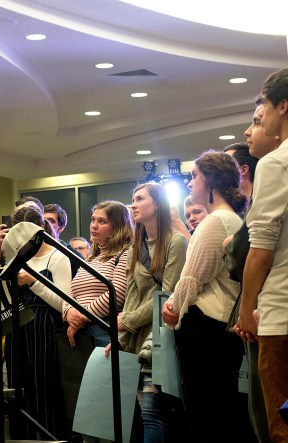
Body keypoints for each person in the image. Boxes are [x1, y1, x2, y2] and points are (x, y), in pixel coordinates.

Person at [161, 150, 247, 441]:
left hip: (207, 328)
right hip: (220, 330)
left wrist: (174, 308)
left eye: (194, 175)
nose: (189, 183)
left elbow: (191, 279)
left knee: (205, 414)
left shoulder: (215, 221)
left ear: (211, 179)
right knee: (220, 410)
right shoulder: (231, 218)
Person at [112, 183, 187, 442]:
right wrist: (121, 335)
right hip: (135, 338)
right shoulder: (136, 246)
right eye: (133, 199)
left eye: (140, 199)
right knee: (141, 413)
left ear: (157, 204)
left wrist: (127, 321)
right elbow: (131, 296)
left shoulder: (176, 242)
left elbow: (166, 296)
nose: (133, 204)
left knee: (152, 412)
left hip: (159, 337)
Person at [238, 68, 288, 443]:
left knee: (281, 427)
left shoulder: (276, 162)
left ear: (282, 107)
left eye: (264, 110)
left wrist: (246, 309)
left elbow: (261, 250)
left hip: (282, 316)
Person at [2, 207, 73, 440]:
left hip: (45, 328)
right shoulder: (17, 259)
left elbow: (63, 304)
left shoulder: (58, 256)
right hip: (18, 327)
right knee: (18, 391)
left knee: (45, 393)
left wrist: (33, 281)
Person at [63, 201, 132, 347]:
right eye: (93, 220)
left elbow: (117, 294)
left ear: (118, 226)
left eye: (102, 221)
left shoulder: (125, 253)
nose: (94, 225)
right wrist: (68, 311)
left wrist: (81, 317)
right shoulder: (91, 257)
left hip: (103, 328)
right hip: (81, 330)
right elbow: (71, 291)